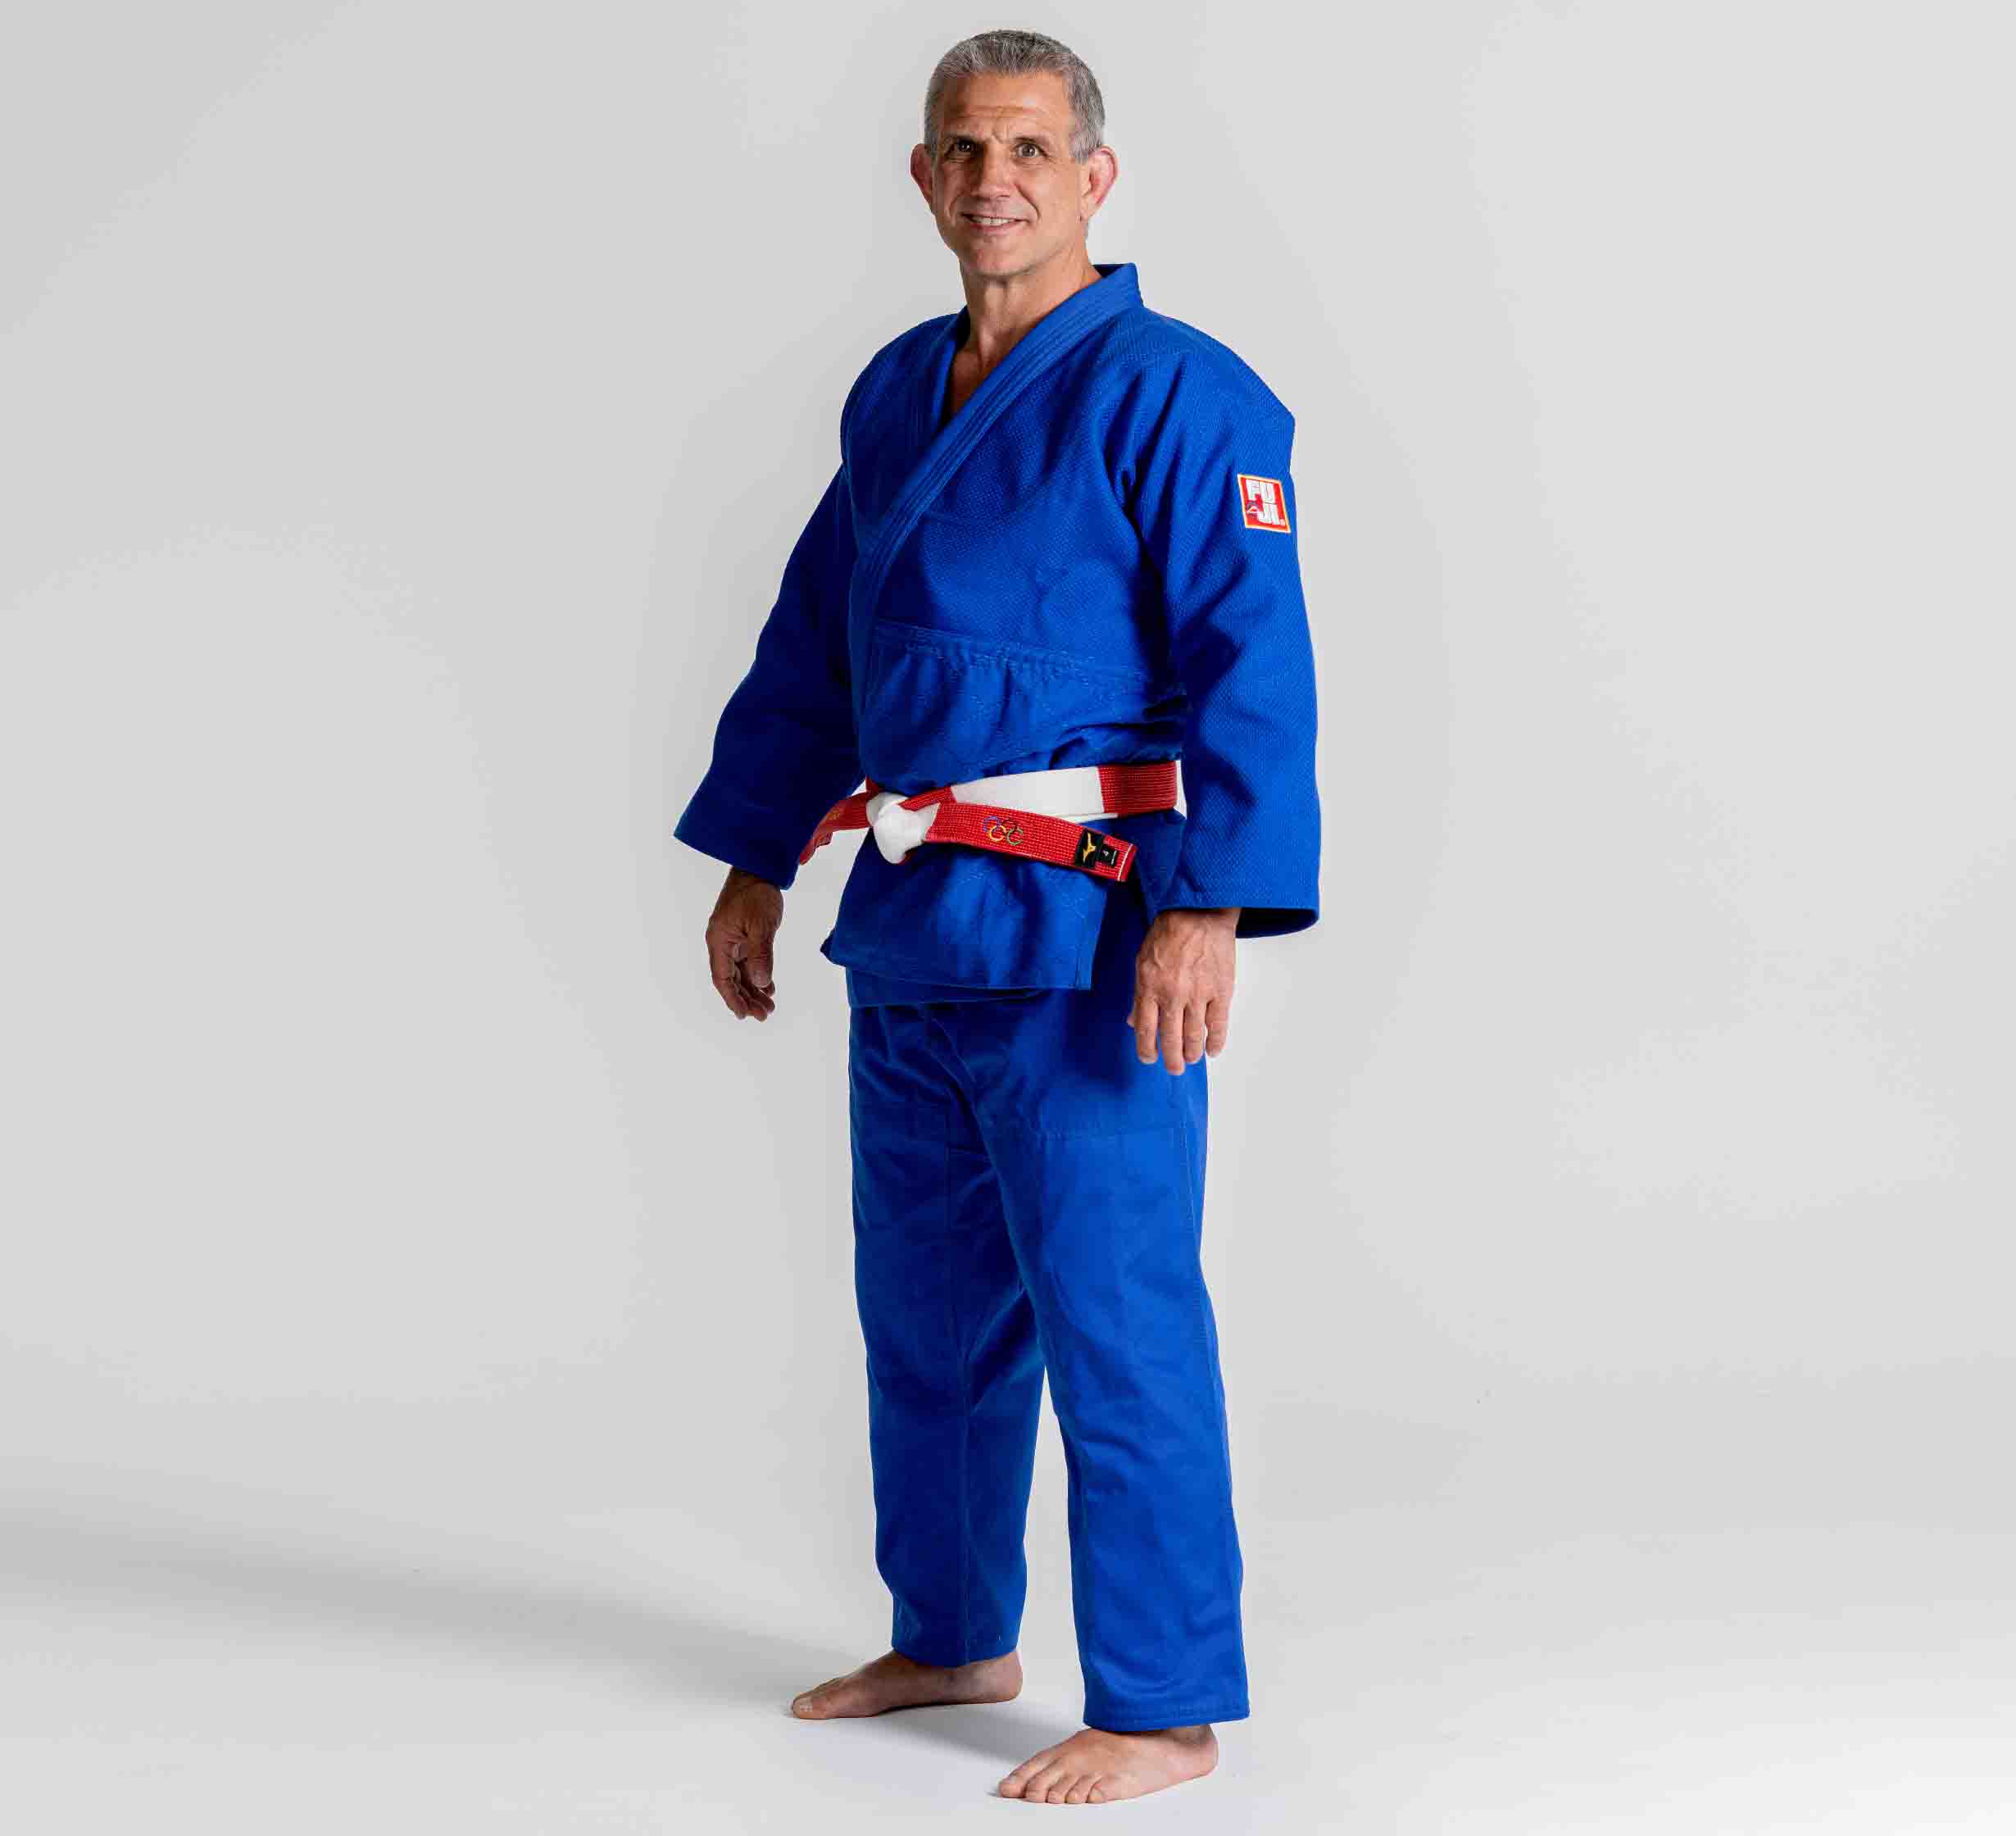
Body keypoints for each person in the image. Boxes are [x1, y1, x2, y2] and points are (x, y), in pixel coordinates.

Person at [674, 27, 1320, 1807]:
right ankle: (952, 1633)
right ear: (924, 175)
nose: (995, 179)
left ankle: (1164, 1703)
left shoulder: (1186, 395)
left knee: (1118, 1321)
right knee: (929, 1318)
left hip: (1091, 940)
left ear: (1095, 178)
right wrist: (756, 852)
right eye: (965, 148)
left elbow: (1252, 665)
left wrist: (1210, 906)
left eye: (1032, 148)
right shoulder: (898, 389)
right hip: (914, 924)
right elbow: (820, 638)